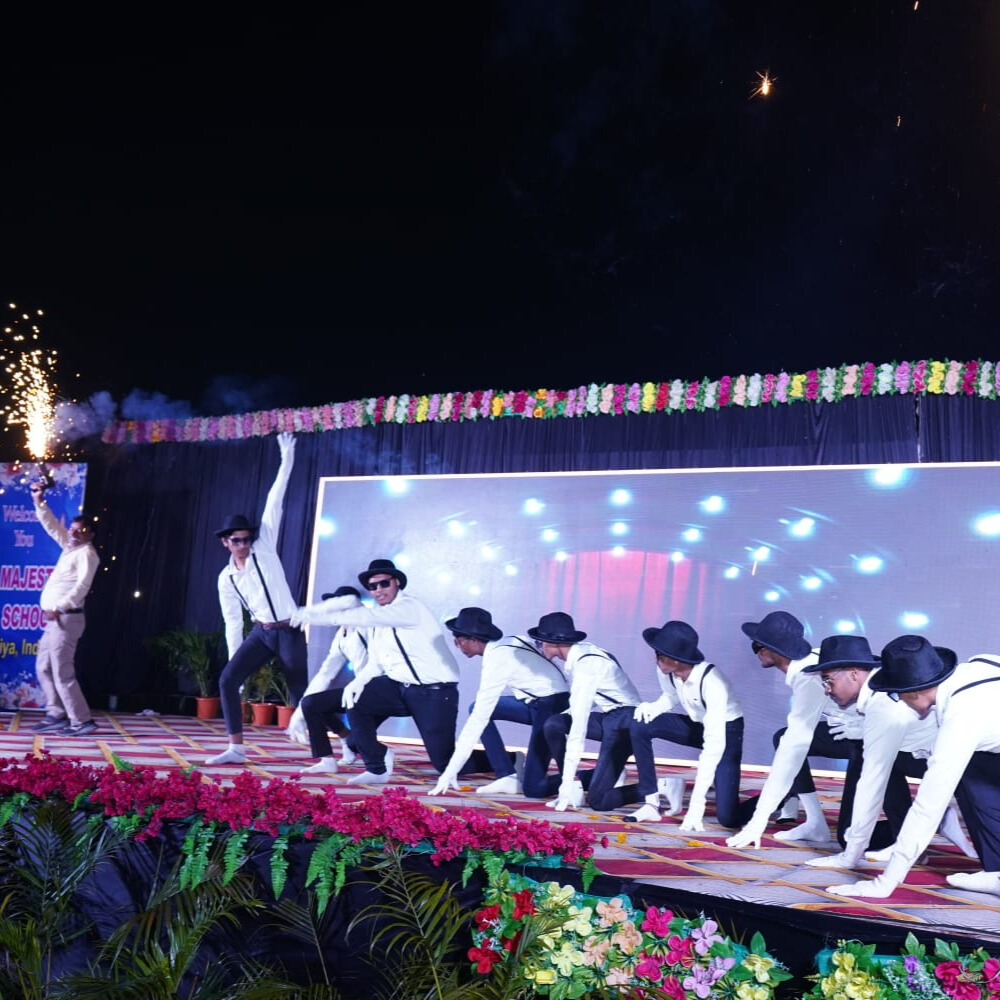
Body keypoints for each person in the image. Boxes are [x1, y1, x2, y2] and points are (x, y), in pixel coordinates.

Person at [828, 637, 1000, 899]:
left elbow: (928, 806)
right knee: (975, 773)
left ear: (913, 692)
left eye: (897, 695)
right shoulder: (976, 666)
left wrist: (885, 883)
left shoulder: (962, 717)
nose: (900, 703)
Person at [803, 634, 976, 870]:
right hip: (927, 756)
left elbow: (873, 780)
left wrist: (850, 856)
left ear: (855, 674)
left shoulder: (882, 700)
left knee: (873, 768)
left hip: (959, 762)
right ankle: (917, 830)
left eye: (828, 680)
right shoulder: (882, 688)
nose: (826, 690)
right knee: (874, 763)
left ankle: (917, 832)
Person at [290, 558, 462, 785]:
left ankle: (506, 762)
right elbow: (378, 661)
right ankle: (377, 766)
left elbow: (366, 616)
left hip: (434, 693)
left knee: (445, 763)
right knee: (352, 700)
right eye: (373, 587)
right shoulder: (382, 617)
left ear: (397, 582)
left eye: (384, 584)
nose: (378, 590)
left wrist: (313, 615)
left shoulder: (409, 607)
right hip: (399, 686)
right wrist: (358, 682)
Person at [205, 432, 308, 765]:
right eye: (236, 540)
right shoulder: (227, 578)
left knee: (303, 696)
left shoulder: (264, 548)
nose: (243, 544)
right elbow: (232, 621)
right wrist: (238, 663)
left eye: (247, 538)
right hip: (262, 632)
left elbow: (275, 499)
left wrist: (286, 459)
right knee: (227, 679)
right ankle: (235, 747)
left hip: (288, 629)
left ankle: (348, 743)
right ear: (225, 543)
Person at [726, 610, 864, 849]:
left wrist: (757, 822)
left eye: (757, 645)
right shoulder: (808, 664)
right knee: (784, 738)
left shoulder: (809, 677)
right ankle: (815, 823)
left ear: (771, 650)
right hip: (847, 731)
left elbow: (794, 747)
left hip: (871, 740)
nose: (756, 651)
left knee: (847, 838)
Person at [428, 606, 570, 797]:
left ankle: (596, 776)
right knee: (476, 706)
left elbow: (478, 720)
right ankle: (507, 775)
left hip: (551, 706)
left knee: (534, 788)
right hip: (536, 702)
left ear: (474, 639)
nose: (457, 645)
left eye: (459, 639)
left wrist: (451, 770)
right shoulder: (509, 641)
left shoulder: (497, 660)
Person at [625, 620, 745, 829]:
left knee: (729, 818)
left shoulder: (713, 683)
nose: (655, 658)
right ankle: (651, 802)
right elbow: (671, 696)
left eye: (660, 655)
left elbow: (714, 744)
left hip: (726, 731)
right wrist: (652, 708)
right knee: (640, 724)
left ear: (675, 660)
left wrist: (696, 806)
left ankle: (784, 796)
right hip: (696, 723)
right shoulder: (666, 670)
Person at [527, 612, 641, 812]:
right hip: (610, 717)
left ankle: (659, 787)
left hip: (625, 724)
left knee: (599, 801)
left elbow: (578, 730)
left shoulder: (586, 666)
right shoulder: (580, 655)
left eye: (540, 642)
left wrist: (564, 790)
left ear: (552, 643)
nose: (538, 647)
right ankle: (573, 784)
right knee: (554, 724)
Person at [28, 480, 101, 735]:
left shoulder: (87, 554)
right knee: (43, 667)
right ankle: (56, 713)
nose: (72, 533)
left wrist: (59, 607)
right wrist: (39, 501)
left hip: (66, 619)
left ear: (89, 535)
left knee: (62, 671)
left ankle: (81, 721)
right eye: (72, 529)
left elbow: (82, 587)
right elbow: (50, 526)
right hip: (55, 620)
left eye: (79, 531)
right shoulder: (70, 547)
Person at [290, 585, 367, 774]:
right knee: (313, 704)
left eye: (335, 604)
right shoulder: (341, 634)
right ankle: (329, 757)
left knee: (363, 744)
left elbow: (350, 601)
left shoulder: (367, 621)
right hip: (360, 690)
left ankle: (357, 745)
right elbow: (325, 674)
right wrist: (298, 715)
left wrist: (306, 613)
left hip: (382, 688)